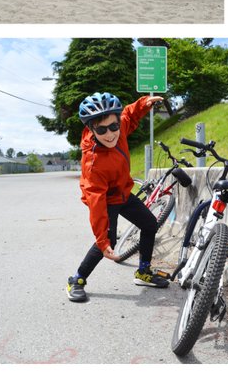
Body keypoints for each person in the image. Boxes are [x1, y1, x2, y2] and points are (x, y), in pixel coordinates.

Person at [66, 92, 168, 302]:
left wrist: (143, 104)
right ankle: (77, 279)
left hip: (122, 191)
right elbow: (96, 202)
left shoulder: (118, 129)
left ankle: (143, 272)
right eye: (102, 130)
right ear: (91, 129)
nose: (110, 134)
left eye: (113, 126)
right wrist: (102, 241)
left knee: (149, 224)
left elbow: (128, 116)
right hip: (104, 199)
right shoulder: (93, 162)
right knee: (108, 241)